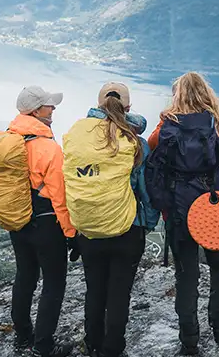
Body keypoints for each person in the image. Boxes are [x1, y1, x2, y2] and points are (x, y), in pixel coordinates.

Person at [144, 72, 219, 356]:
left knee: (186, 276)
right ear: (209, 96)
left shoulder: (164, 132)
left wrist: (167, 120)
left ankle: (189, 340)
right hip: (216, 213)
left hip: (179, 214)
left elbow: (154, 159)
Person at [63, 82, 159, 357]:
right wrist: (147, 223)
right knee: (119, 294)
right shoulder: (135, 142)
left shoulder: (78, 136)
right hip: (127, 230)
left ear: (98, 105)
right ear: (128, 107)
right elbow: (146, 190)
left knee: (95, 290)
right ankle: (113, 349)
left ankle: (92, 344)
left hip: (89, 231)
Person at [6, 85, 76, 357]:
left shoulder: (7, 141)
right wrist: (70, 233)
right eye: (49, 105)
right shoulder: (47, 147)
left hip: (17, 219)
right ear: (36, 111)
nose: (53, 109)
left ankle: (23, 335)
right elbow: (60, 196)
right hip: (47, 223)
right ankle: (43, 346)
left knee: (25, 276)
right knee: (54, 282)